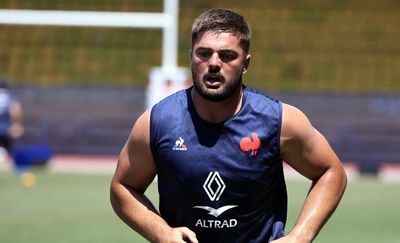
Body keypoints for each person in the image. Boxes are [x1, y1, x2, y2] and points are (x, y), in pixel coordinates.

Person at [110, 8, 347, 243]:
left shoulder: (279, 121)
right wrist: (162, 233)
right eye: (204, 53)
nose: (214, 63)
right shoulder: (157, 122)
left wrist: (300, 235)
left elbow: (331, 171)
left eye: (227, 55)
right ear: (191, 55)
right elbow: (123, 187)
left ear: (246, 63)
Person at [0, 79, 24, 155]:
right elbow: (15, 110)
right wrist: (17, 124)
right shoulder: (10, 97)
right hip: (5, 129)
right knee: (7, 154)